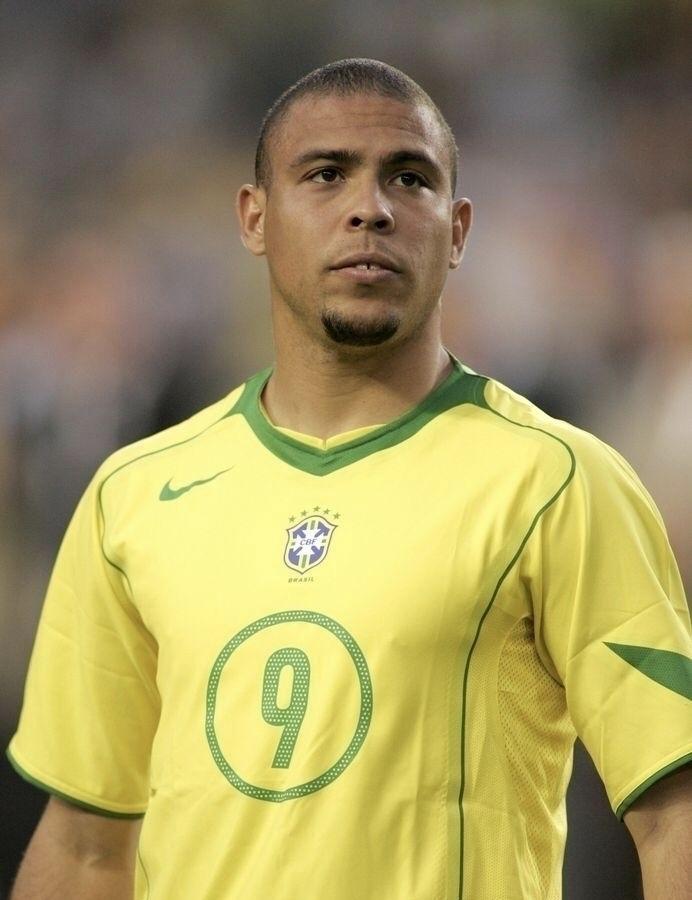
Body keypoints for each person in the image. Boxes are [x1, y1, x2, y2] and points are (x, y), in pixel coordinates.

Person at [6, 58, 691, 900]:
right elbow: (83, 849)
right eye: (326, 174)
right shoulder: (133, 497)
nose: (372, 208)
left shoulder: (559, 482)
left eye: (410, 178)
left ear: (459, 230)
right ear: (255, 217)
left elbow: (675, 817)